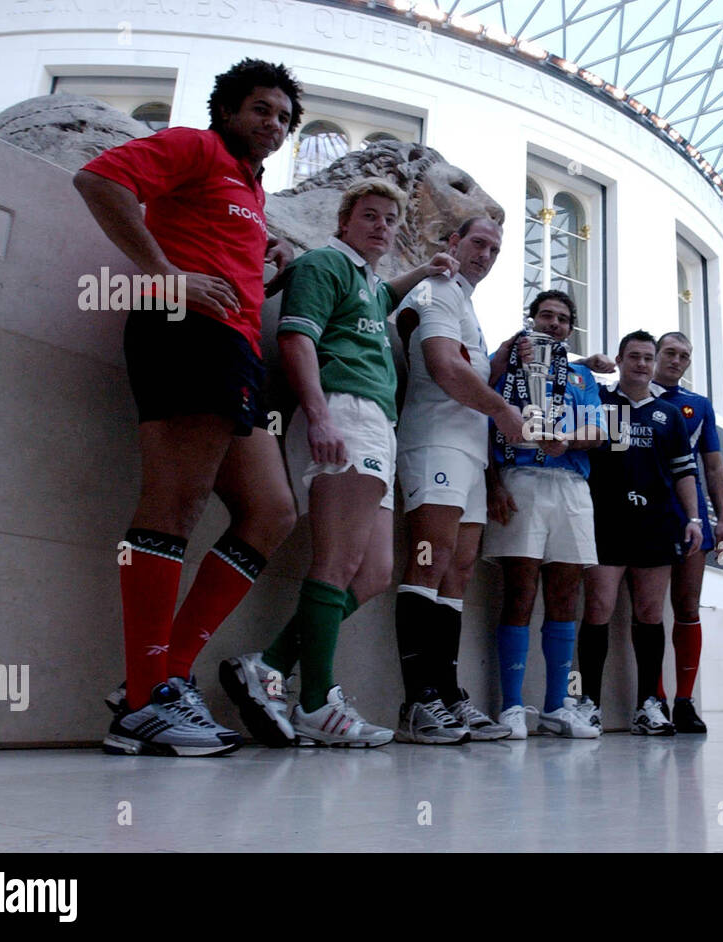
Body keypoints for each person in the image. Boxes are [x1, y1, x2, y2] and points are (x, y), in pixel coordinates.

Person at [77, 59, 303, 756]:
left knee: (272, 513)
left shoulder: (250, 187)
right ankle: (144, 702)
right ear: (228, 110)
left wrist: (268, 268)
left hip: (234, 350)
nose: (274, 124)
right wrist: (166, 277)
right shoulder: (195, 146)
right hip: (183, 335)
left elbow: (222, 260)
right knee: (174, 504)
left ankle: (162, 678)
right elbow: (98, 179)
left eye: (284, 118)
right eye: (261, 109)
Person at [219, 179, 459, 747]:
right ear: (344, 221)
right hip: (343, 413)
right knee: (336, 561)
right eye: (369, 216)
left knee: (373, 572)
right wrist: (319, 416)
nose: (381, 226)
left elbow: (383, 296)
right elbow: (298, 340)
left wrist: (425, 270)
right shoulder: (324, 263)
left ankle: (272, 664)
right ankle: (315, 704)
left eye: (390, 219)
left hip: (378, 424)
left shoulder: (369, 283)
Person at [389, 216, 523, 744]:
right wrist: (505, 411)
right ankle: (417, 703)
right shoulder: (436, 289)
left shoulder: (466, 303)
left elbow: (468, 368)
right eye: (477, 243)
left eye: (494, 248)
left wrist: (501, 363)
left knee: (458, 570)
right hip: (434, 441)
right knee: (430, 560)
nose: (485, 254)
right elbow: (444, 367)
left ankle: (447, 694)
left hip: (469, 453)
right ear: (451, 243)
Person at [485, 290, 606, 740]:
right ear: (531, 320)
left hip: (573, 486)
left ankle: (556, 706)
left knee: (565, 596)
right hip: (521, 481)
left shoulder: (581, 376)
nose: (554, 323)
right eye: (546, 315)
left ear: (571, 329)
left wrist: (568, 439)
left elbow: (600, 430)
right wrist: (492, 484)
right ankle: (512, 706)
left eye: (562, 319)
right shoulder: (506, 368)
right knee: (519, 592)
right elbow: (484, 425)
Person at [577, 330, 703, 735]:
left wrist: (694, 519)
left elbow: (685, 472)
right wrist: (585, 363)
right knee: (598, 609)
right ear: (620, 359)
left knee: (650, 614)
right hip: (604, 522)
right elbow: (561, 378)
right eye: (634, 357)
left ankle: (649, 704)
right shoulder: (599, 401)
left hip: (656, 525)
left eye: (649, 358)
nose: (643, 364)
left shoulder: (670, 416)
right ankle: (589, 704)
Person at [648, 331, 723, 733]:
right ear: (656, 354)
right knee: (647, 610)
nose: (677, 360)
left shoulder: (698, 406)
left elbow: (713, 466)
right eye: (670, 353)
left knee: (688, 606)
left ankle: (684, 701)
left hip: (689, 516)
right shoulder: (630, 396)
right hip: (642, 514)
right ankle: (654, 700)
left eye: (685, 355)